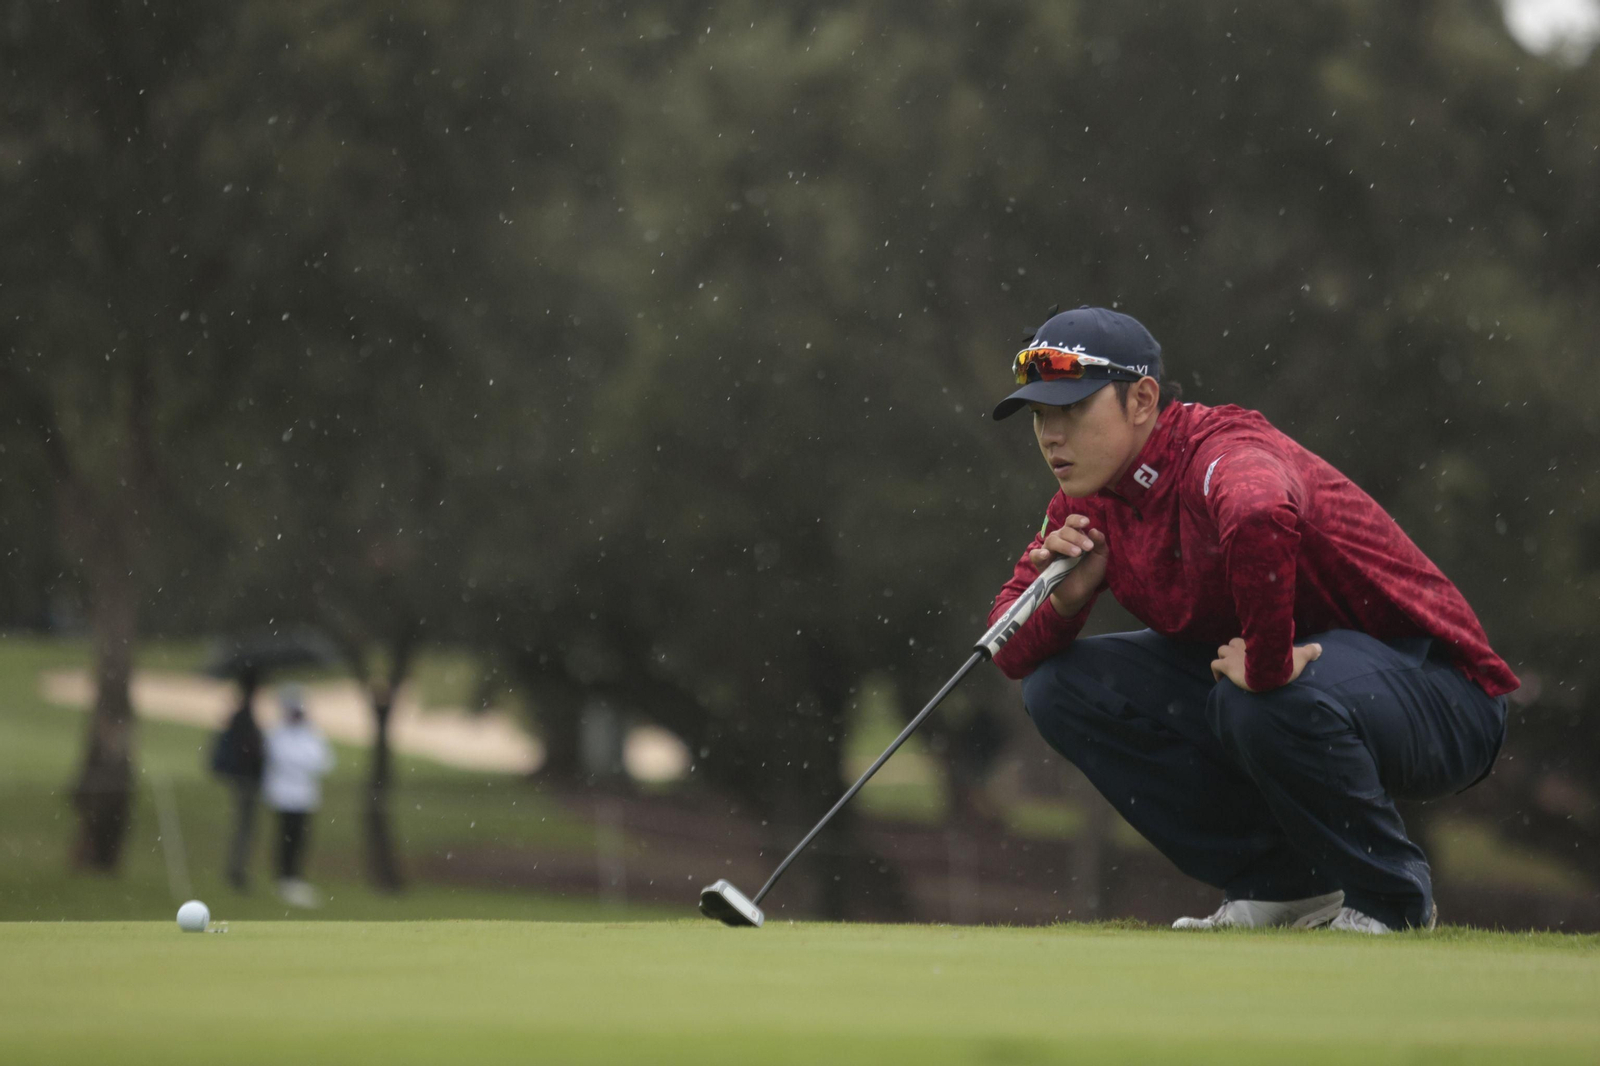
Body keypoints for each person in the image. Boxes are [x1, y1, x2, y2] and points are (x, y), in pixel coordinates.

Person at [988, 306, 1515, 934]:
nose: (1051, 435)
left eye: (1071, 409)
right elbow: (1008, 646)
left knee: (1255, 701)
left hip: (1444, 692)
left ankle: (1392, 901)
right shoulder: (1086, 501)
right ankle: (1285, 885)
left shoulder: (1221, 450)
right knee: (1059, 688)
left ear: (1142, 399)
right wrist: (1066, 604)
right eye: (1041, 416)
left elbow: (1260, 511)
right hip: (1309, 698)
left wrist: (1266, 663)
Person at [262, 685, 335, 908]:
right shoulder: (277, 733)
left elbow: (325, 762)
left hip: (305, 797)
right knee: (285, 837)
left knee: (301, 839)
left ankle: (295, 878)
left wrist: (298, 763)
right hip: (283, 796)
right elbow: (280, 758)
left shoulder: (312, 733)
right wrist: (301, 763)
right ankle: (284, 879)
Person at [210, 671, 264, 890]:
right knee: (244, 826)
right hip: (246, 779)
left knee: (244, 826)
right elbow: (249, 751)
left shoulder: (239, 714)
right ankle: (236, 872)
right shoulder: (244, 716)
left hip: (243, 777)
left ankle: (237, 870)